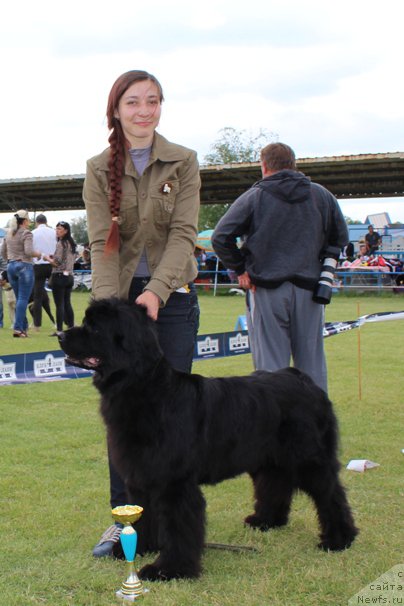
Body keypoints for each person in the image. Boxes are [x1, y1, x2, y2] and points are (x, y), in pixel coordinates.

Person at [83, 70, 200, 557]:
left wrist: (155, 291)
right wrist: (109, 318)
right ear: (116, 109)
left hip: (172, 299)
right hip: (120, 299)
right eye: (133, 102)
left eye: (153, 101)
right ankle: (125, 522)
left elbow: (185, 234)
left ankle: (175, 526)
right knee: (123, 417)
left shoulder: (184, 161)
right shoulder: (97, 167)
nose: (144, 110)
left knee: (173, 418)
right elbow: (101, 245)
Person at [212, 142, 348, 393]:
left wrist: (239, 269)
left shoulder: (255, 196)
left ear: (263, 166)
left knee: (270, 371)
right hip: (311, 291)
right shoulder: (322, 196)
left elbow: (220, 236)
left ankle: (273, 430)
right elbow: (340, 239)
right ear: (294, 164)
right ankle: (317, 427)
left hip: (267, 291)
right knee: (312, 366)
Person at [0, 210, 41, 337]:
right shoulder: (26, 233)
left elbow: (2, 252)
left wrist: (10, 258)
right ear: (25, 221)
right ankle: (18, 329)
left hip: (11, 266)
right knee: (23, 299)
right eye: (28, 220)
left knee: (19, 299)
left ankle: (22, 327)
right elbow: (29, 251)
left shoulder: (9, 234)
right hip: (24, 266)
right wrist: (39, 254)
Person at [43, 221, 76, 336]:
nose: (57, 231)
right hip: (69, 276)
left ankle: (59, 330)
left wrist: (47, 258)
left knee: (59, 305)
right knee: (67, 303)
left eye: (60, 229)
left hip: (59, 276)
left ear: (66, 231)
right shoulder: (71, 243)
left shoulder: (61, 243)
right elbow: (67, 259)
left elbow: (56, 263)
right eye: (56, 228)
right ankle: (71, 327)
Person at [31, 214, 57, 330]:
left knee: (37, 297)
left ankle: (37, 325)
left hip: (39, 266)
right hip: (53, 265)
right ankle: (61, 322)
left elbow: (30, 250)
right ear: (46, 222)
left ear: (37, 222)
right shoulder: (54, 232)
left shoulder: (32, 233)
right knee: (59, 295)